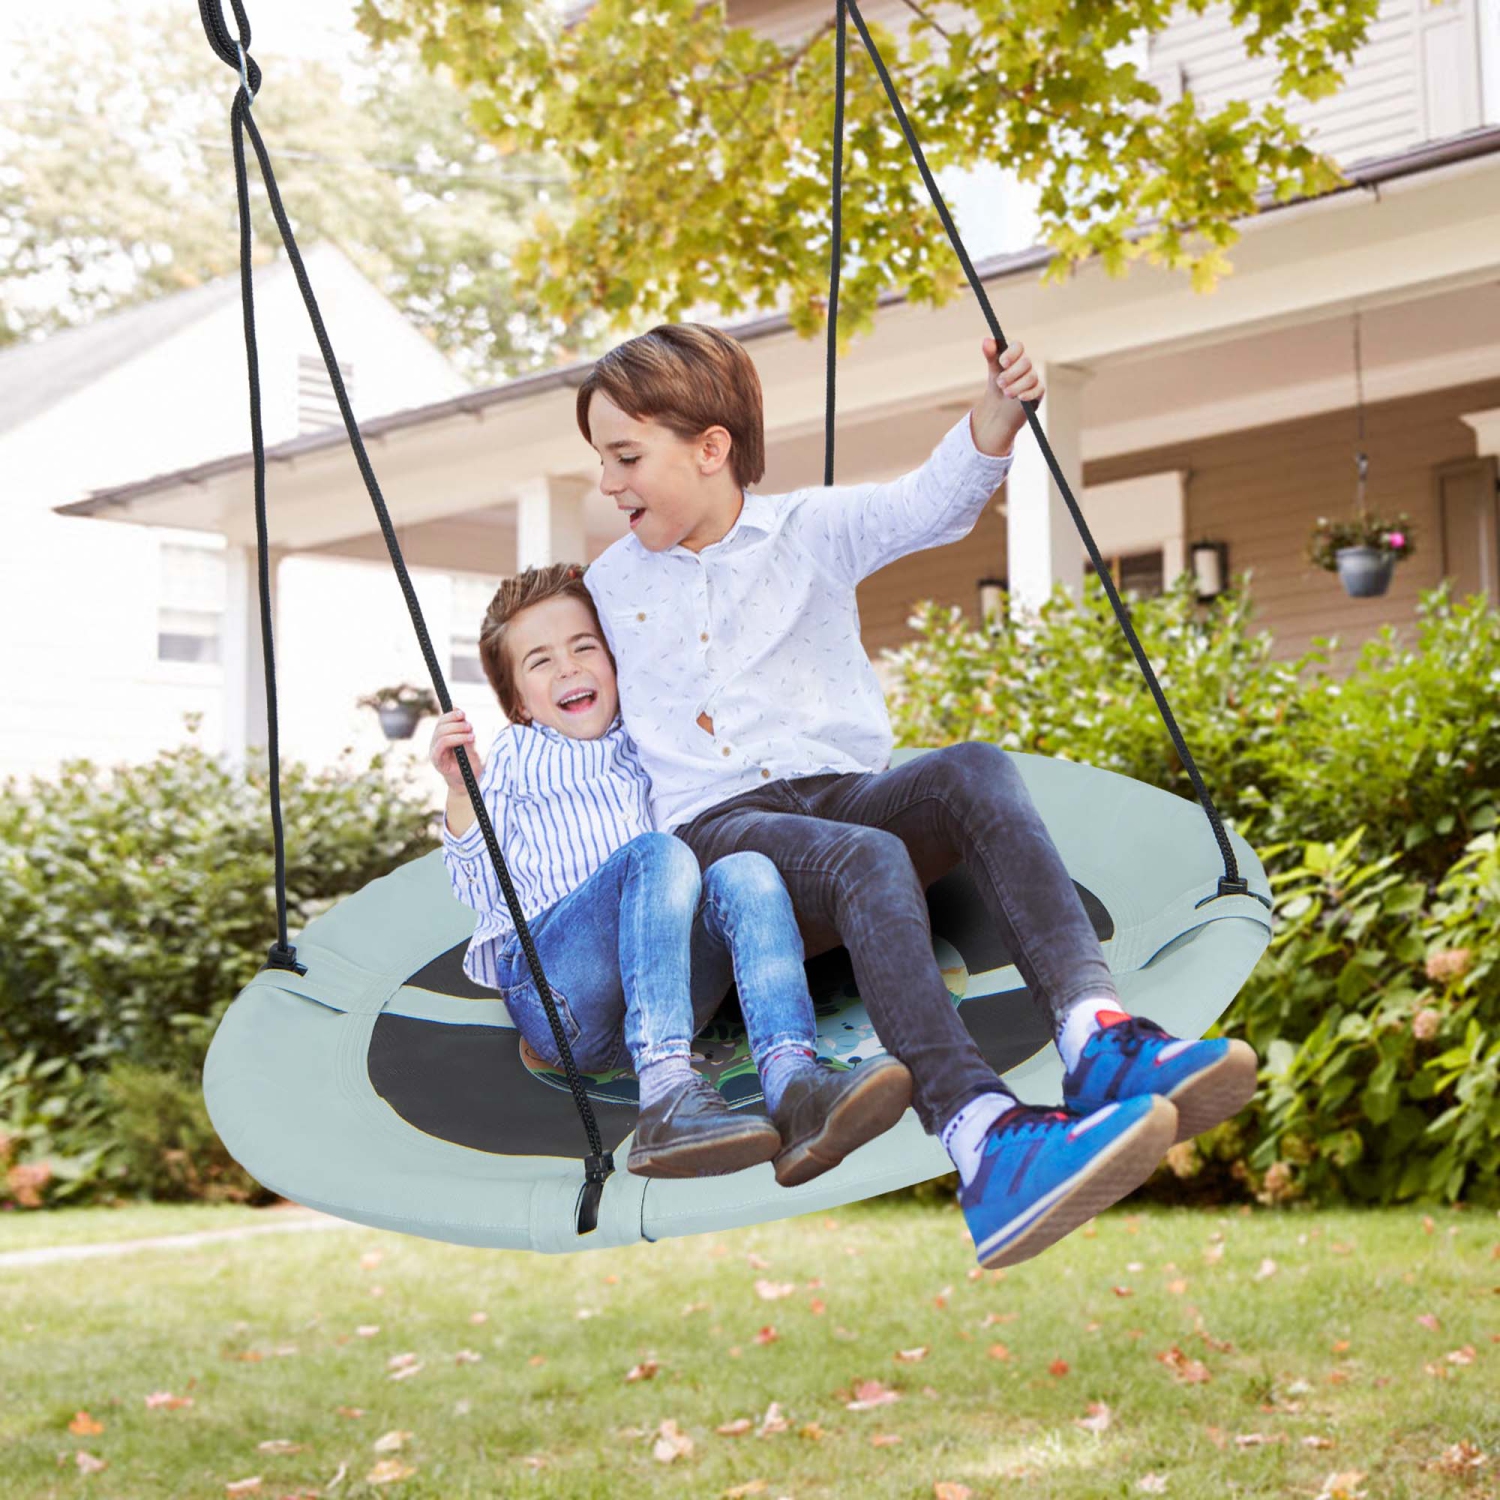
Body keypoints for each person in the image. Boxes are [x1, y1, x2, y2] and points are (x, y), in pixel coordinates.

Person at [574, 323, 1259, 1267]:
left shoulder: (807, 531)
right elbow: (560, 705)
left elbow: (929, 505)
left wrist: (997, 412)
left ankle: (1095, 1036)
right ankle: (981, 1137)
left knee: (968, 769)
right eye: (602, 460)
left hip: (842, 795)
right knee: (864, 855)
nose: (608, 485)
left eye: (625, 457)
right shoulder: (606, 588)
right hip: (725, 836)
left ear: (711, 447)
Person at [432, 560, 912, 1185]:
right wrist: (460, 790)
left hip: (657, 993)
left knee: (745, 871)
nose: (570, 668)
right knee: (655, 855)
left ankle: (795, 1084)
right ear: (519, 703)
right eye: (541, 661)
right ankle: (666, 1096)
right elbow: (478, 885)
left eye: (585, 647)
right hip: (559, 993)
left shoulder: (653, 741)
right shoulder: (514, 761)